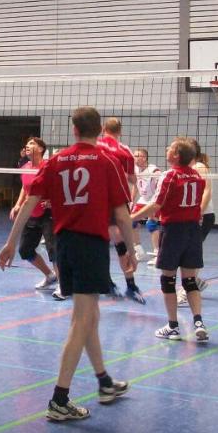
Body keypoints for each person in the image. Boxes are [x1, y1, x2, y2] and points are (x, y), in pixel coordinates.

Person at [0, 106, 136, 422]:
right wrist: (129, 250)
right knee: (82, 320)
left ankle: (104, 382)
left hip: (65, 244)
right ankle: (59, 400)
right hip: (90, 245)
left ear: (74, 130)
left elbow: (29, 203)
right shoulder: (108, 161)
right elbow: (122, 213)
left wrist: (10, 242)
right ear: (100, 131)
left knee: (89, 316)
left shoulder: (56, 161)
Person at [132, 138, 209, 343]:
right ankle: (199, 323)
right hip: (193, 231)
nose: (166, 150)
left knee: (168, 280)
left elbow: (156, 205)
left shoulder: (169, 175)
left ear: (176, 155)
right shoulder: (197, 176)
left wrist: (131, 217)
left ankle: (173, 327)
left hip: (174, 231)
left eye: (170, 148)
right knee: (190, 281)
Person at [98, 117, 145, 304]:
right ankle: (130, 285)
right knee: (120, 242)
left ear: (103, 129)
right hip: (118, 199)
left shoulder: (95, 146)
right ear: (120, 131)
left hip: (97, 199)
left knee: (100, 241)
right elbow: (133, 179)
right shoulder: (124, 150)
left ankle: (107, 283)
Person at [9, 137, 57, 291]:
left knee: (53, 249)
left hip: (48, 213)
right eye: (27, 144)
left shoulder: (48, 166)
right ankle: (50, 276)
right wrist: (18, 205)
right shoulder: (25, 167)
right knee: (25, 250)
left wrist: (53, 200)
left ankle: (63, 284)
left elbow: (58, 186)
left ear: (41, 149)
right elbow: (25, 187)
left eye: (31, 143)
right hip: (31, 213)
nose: (27, 146)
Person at [189, 138, 214, 294]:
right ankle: (195, 282)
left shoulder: (199, 167)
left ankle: (189, 288)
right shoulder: (187, 168)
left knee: (192, 251)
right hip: (191, 216)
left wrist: (199, 212)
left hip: (203, 215)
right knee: (187, 251)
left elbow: (207, 191)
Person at [133, 147, 161, 258]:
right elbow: (135, 185)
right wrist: (131, 200)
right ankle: (139, 250)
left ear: (144, 158)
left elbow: (160, 188)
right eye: (134, 156)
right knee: (131, 222)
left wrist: (156, 205)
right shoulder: (135, 169)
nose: (134, 158)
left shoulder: (154, 171)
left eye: (137, 156)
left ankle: (157, 253)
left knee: (151, 224)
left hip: (154, 199)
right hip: (143, 199)